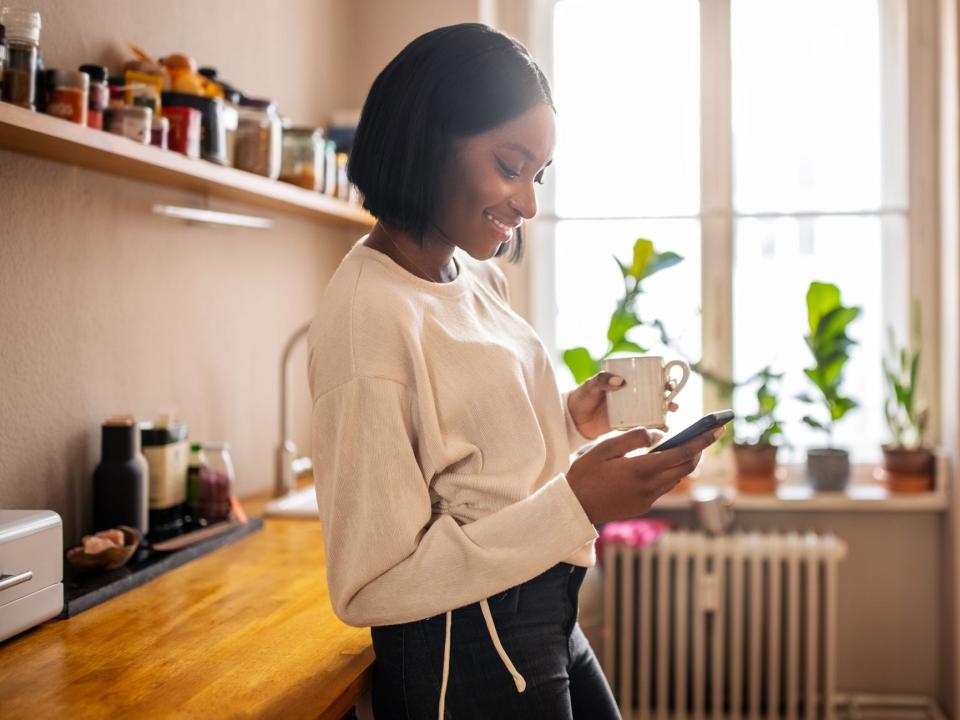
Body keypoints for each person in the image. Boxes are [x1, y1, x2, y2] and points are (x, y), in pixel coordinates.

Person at [308, 23, 723, 720]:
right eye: (509, 164)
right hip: (461, 646)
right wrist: (579, 504)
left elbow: (475, 463)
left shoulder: (472, 277)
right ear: (428, 137)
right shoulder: (368, 318)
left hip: (538, 608)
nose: (528, 203)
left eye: (537, 174)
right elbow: (371, 584)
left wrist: (568, 418)